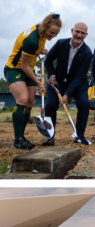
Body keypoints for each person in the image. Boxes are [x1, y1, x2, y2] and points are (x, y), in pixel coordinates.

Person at [4, 13, 62, 150]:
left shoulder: (40, 31)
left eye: (56, 34)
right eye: (51, 32)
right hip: (15, 69)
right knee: (23, 99)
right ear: (45, 26)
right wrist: (39, 83)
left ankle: (21, 136)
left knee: (30, 102)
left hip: (27, 69)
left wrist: (40, 50)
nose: (52, 36)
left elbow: (31, 51)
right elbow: (23, 65)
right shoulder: (32, 40)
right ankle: (17, 139)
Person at [44, 22, 92, 145]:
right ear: (72, 31)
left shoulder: (87, 53)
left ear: (86, 35)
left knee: (84, 104)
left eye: (82, 33)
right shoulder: (61, 44)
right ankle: (50, 136)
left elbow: (80, 76)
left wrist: (67, 94)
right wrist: (52, 75)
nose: (79, 35)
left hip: (78, 84)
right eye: (77, 31)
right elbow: (48, 60)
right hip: (57, 81)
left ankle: (79, 136)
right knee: (50, 105)